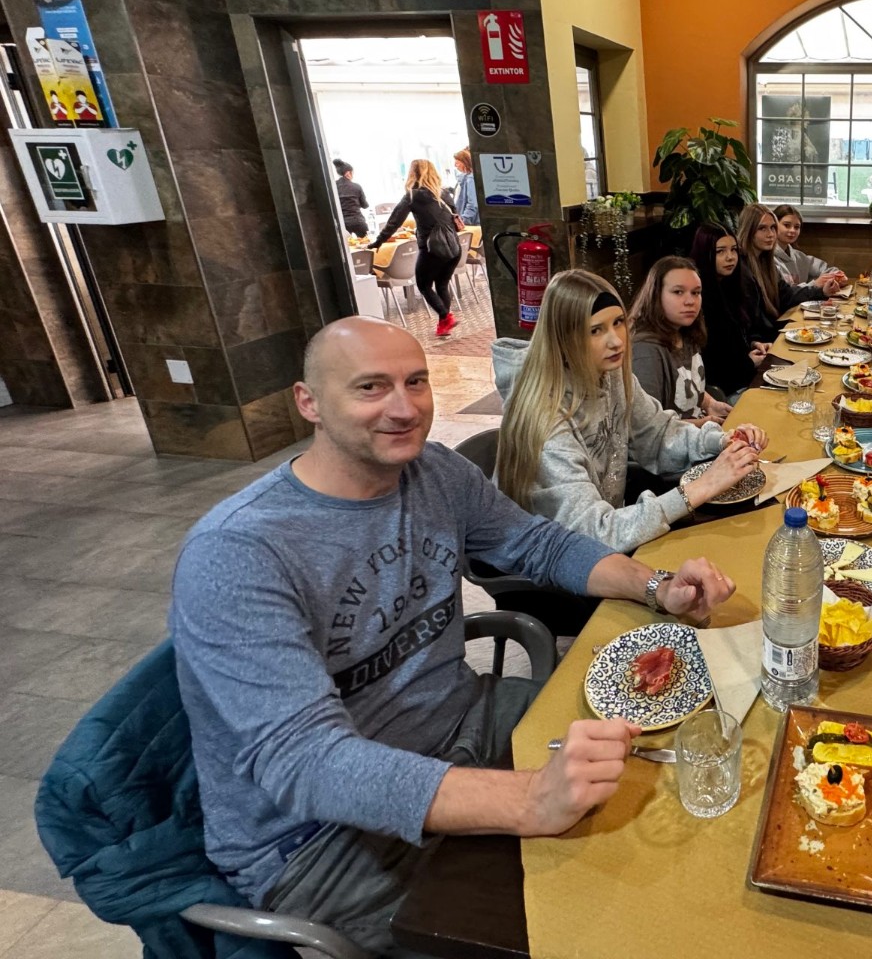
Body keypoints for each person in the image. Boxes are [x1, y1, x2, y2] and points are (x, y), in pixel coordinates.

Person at [169, 316, 738, 956]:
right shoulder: (237, 552)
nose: (403, 407)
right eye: (370, 387)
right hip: (321, 840)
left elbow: (538, 544)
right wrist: (529, 800)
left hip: (464, 725)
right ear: (309, 403)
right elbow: (306, 762)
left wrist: (657, 586)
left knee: (680, 775)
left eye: (415, 382)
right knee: (586, 923)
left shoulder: (433, 472)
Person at [496, 269, 769, 554]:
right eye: (595, 330)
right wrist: (702, 487)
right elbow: (593, 531)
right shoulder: (544, 413)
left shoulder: (609, 373)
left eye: (618, 322)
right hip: (554, 560)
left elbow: (658, 434)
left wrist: (721, 441)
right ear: (563, 338)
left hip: (607, 542)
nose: (616, 341)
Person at [629, 256, 731, 422]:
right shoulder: (645, 352)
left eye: (696, 293)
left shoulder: (685, 330)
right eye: (678, 292)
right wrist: (700, 424)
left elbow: (688, 383)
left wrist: (710, 404)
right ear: (656, 295)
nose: (690, 301)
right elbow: (648, 427)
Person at [371, 159, 461, 338]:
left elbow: (394, 222)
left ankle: (446, 316)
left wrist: (378, 241)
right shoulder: (445, 193)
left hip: (432, 248)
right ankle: (444, 326)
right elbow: (451, 217)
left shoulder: (412, 196)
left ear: (413, 174)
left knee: (424, 285)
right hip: (454, 247)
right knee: (442, 284)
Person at [737, 204, 847, 340]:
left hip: (770, 331)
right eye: (762, 228)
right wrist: (754, 342)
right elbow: (748, 319)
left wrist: (822, 291)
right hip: (761, 339)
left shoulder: (765, 261)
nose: (770, 234)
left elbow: (786, 295)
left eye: (772, 228)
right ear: (748, 230)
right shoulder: (741, 266)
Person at [690, 224, 768, 397]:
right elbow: (711, 365)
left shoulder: (732, 285)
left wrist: (753, 343)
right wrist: (748, 363)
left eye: (733, 250)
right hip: (723, 392)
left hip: (744, 378)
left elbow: (739, 335)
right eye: (720, 251)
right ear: (705, 253)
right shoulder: (698, 297)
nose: (730, 257)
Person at [772, 205, 838, 286]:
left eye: (797, 227)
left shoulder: (799, 257)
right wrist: (815, 284)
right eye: (787, 225)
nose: (792, 230)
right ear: (774, 225)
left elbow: (828, 270)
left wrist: (838, 276)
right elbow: (785, 292)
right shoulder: (768, 259)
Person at [333, 159, 370, 237]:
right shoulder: (356, 186)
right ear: (348, 173)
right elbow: (365, 205)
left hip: (342, 224)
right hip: (358, 221)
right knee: (365, 242)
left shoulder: (333, 187)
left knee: (346, 243)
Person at [452, 148, 479, 227]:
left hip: (471, 223)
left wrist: (464, 220)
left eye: (457, 163)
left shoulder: (471, 179)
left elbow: (472, 204)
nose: (455, 165)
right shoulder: (464, 178)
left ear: (464, 162)